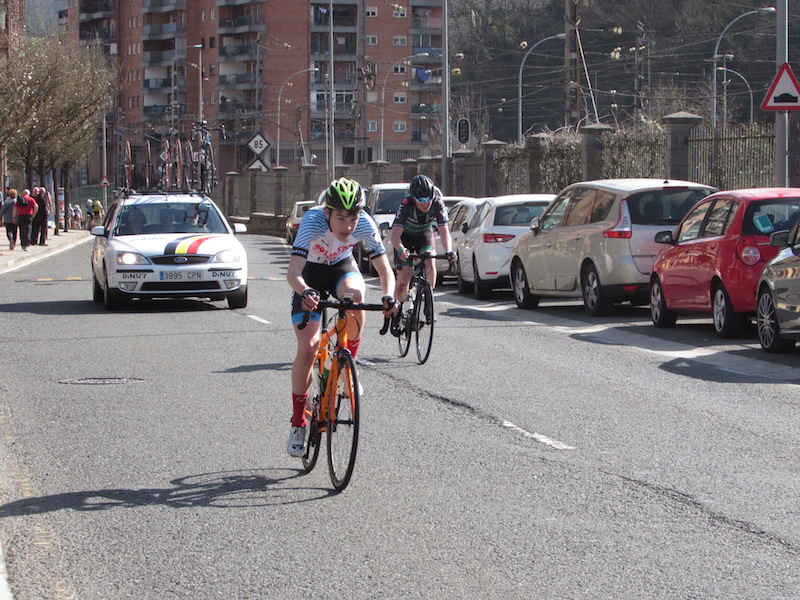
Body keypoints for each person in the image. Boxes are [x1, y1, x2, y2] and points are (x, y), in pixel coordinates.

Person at [285, 177, 397, 458]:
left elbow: (385, 270)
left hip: (340, 269)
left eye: (353, 218)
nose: (348, 226)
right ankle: (298, 422)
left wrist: (389, 296)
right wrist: (304, 290)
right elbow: (293, 271)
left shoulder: (365, 223)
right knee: (309, 347)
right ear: (328, 213)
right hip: (310, 275)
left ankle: (347, 367)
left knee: (355, 296)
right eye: (341, 218)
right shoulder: (312, 221)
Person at [388, 174, 455, 331]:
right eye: (421, 200)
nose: (426, 203)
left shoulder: (437, 203)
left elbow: (444, 231)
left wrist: (448, 250)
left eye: (428, 198)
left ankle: (429, 304)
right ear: (414, 198)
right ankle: (397, 313)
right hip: (404, 238)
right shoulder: (406, 204)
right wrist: (401, 249)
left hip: (424, 236)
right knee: (405, 276)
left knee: (430, 260)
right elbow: (395, 235)